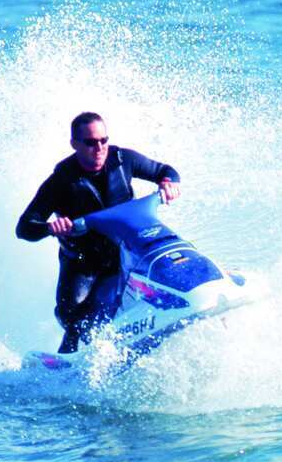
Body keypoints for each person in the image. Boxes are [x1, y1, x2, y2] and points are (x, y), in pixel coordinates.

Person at [16, 112, 181, 353]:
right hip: (83, 262)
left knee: (103, 308)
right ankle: (71, 364)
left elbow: (164, 170)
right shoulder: (61, 180)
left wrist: (169, 181)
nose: (100, 147)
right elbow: (24, 227)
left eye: (104, 140)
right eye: (91, 143)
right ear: (75, 144)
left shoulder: (123, 159)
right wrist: (50, 228)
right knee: (72, 317)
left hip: (123, 252)